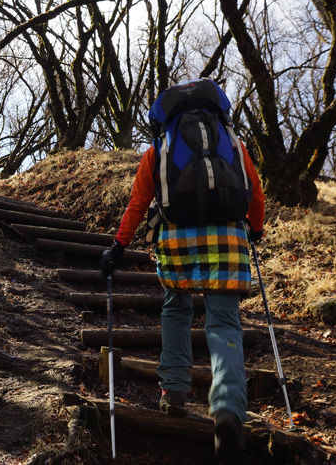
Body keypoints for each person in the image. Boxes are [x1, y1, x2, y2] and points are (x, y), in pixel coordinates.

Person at [99, 89, 265, 464]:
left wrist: (118, 246)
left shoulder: (160, 149)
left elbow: (139, 201)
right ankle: (226, 408)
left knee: (176, 309)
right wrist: (256, 229)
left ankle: (173, 392)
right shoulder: (234, 144)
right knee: (224, 323)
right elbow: (255, 194)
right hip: (226, 237)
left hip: (176, 240)